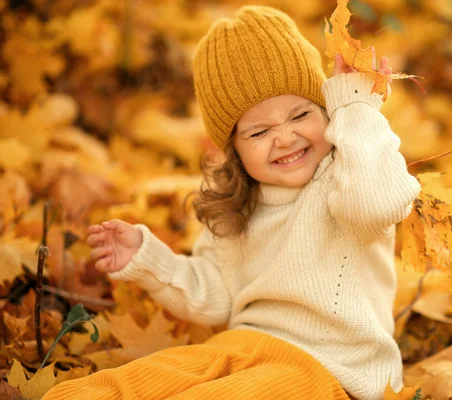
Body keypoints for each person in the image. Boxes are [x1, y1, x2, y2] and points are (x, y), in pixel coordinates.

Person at [43, 5, 421, 400]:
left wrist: (357, 109)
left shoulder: (350, 179)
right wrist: (151, 261)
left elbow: (376, 205)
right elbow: (217, 294)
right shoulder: (238, 205)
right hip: (242, 345)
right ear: (234, 150)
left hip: (329, 367)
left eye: (300, 115)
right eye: (259, 132)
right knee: (136, 380)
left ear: (327, 109)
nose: (285, 138)